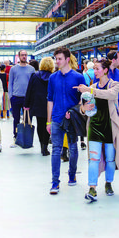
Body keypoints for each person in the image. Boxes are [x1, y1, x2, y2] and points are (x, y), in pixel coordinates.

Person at [76, 58, 119, 202]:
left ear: (106, 70)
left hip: (109, 128)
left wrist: (90, 90)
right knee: (93, 159)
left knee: (110, 159)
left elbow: (110, 95)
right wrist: (83, 108)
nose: (95, 71)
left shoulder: (114, 85)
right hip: (94, 127)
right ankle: (92, 188)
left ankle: (108, 183)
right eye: (93, 68)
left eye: (97, 68)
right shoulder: (92, 86)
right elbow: (81, 107)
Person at [47, 47, 86, 195]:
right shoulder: (53, 78)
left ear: (67, 59)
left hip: (72, 120)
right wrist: (48, 121)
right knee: (56, 150)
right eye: (56, 59)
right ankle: (55, 182)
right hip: (56, 119)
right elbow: (50, 100)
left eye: (60, 59)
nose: (57, 62)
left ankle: (72, 174)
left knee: (73, 148)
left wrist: (75, 111)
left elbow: (84, 100)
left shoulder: (78, 77)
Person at [25, 57, 55, 156]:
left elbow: (29, 90)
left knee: (40, 125)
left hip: (37, 104)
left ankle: (42, 144)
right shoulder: (53, 77)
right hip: (49, 105)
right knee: (48, 124)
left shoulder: (34, 76)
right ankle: (45, 147)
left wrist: (26, 104)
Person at [8, 50, 35, 146]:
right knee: (16, 119)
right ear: (18, 56)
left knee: (27, 119)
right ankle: (16, 137)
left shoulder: (31, 69)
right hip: (15, 97)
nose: (24, 56)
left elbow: (33, 84)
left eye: (25, 55)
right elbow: (10, 83)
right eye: (22, 55)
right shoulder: (13, 69)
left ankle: (26, 138)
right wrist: (10, 96)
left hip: (27, 99)